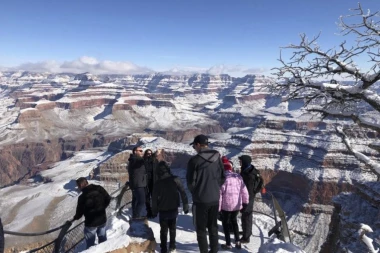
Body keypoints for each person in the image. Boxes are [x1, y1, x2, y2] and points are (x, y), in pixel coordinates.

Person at [186, 134, 225, 253]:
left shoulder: (194, 160)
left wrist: (197, 192)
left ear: (198, 145)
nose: (194, 148)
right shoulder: (217, 157)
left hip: (201, 200)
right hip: (214, 198)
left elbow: (190, 182)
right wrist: (214, 188)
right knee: (213, 227)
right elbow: (223, 177)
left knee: (201, 229)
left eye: (194, 146)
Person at [152, 161, 189, 253]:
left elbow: (154, 199)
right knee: (172, 228)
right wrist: (185, 205)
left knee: (163, 230)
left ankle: (163, 248)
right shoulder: (176, 179)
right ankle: (172, 246)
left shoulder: (157, 183)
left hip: (163, 209)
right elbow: (183, 192)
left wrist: (154, 210)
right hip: (173, 208)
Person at [72, 177, 111, 249]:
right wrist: (102, 208)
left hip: (91, 223)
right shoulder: (99, 188)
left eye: (78, 186)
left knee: (90, 245)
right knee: (103, 241)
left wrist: (75, 218)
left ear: (80, 186)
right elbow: (108, 198)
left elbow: (79, 213)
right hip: (102, 219)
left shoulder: (82, 197)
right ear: (87, 182)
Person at [219, 158, 249, 249]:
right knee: (234, 222)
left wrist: (218, 209)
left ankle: (228, 244)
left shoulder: (222, 178)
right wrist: (245, 203)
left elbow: (219, 195)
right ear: (230, 168)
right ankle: (238, 242)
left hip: (226, 206)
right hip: (237, 205)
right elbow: (244, 191)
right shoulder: (238, 176)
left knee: (226, 224)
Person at [238, 155, 262, 243]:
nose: (239, 162)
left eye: (240, 161)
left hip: (248, 198)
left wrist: (244, 200)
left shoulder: (249, 175)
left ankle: (246, 237)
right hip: (248, 197)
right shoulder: (249, 169)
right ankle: (246, 232)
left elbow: (247, 190)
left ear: (244, 162)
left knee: (246, 216)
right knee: (246, 215)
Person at [128, 146, 147, 218]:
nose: (141, 152)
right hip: (138, 184)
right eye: (140, 150)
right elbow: (139, 163)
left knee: (135, 200)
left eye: (142, 150)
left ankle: (135, 214)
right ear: (135, 151)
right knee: (142, 201)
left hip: (138, 183)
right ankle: (137, 216)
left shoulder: (134, 159)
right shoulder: (134, 160)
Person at [144, 149, 158, 218]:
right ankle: (148, 211)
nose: (149, 155)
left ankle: (154, 212)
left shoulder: (155, 161)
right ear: (145, 154)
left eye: (150, 153)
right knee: (147, 197)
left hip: (154, 182)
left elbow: (158, 171)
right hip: (145, 182)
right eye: (147, 153)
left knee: (154, 197)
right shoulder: (143, 161)